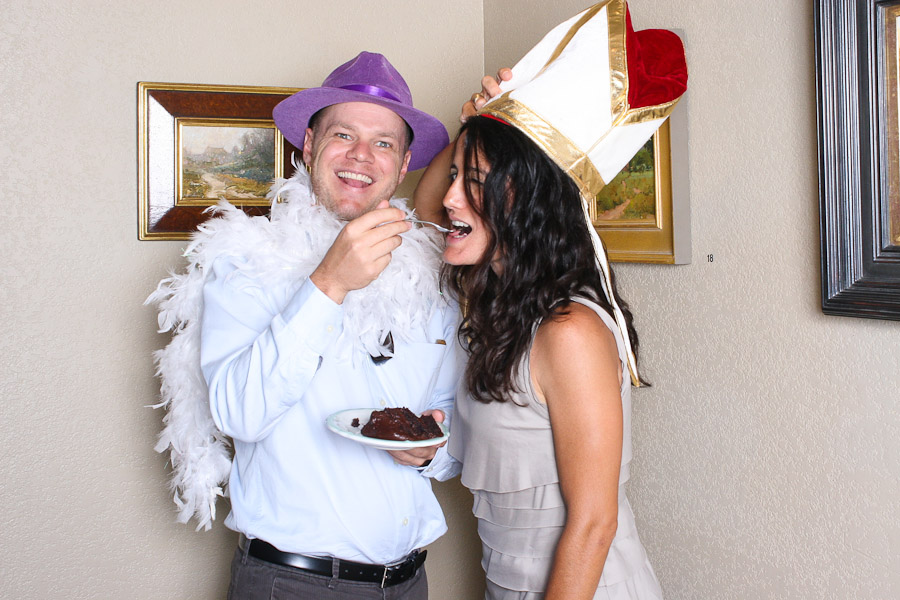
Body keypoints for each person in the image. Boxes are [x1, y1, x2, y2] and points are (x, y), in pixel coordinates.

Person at [148, 51, 462, 599]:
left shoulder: (430, 274)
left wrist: (434, 445)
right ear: (310, 146)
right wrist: (328, 285)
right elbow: (240, 414)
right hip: (293, 584)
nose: (361, 156)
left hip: (409, 582)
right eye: (343, 135)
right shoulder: (244, 262)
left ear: (404, 163)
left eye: (383, 143)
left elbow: (449, 414)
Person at [414, 2, 688, 598]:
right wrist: (474, 123)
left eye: (475, 182)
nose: (452, 198)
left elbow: (593, 526)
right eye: (455, 176)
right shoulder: (508, 313)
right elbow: (428, 212)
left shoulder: (569, 331)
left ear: (528, 203)